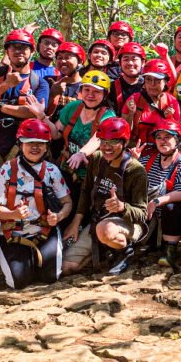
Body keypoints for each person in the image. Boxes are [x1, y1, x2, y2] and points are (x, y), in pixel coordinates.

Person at [0, 119, 73, 289]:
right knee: (18, 281)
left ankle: (35, 258)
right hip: (13, 234)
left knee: (51, 277)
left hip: (44, 231)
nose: (35, 147)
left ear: (46, 146)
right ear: (20, 145)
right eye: (30, 143)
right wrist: (14, 214)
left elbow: (67, 202)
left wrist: (58, 216)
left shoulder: (52, 171)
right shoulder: (5, 171)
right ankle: (23, 260)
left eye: (40, 144)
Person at [61, 118, 148, 275]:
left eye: (113, 142)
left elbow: (142, 214)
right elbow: (86, 191)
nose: (107, 147)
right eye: (103, 141)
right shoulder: (96, 159)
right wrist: (76, 222)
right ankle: (104, 248)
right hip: (98, 220)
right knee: (66, 267)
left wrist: (122, 207)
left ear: (125, 142)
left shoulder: (136, 170)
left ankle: (125, 251)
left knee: (105, 230)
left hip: (127, 222)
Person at [0, 29, 50, 165]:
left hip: (22, 150)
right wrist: (5, 85)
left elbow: (33, 113)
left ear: (32, 52)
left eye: (23, 47)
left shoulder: (39, 83)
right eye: (13, 47)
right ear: (7, 52)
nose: (18, 51)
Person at [140, 120, 181, 272]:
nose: (162, 141)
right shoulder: (146, 160)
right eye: (159, 137)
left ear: (177, 140)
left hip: (174, 217)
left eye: (168, 137)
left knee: (173, 206)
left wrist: (157, 201)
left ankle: (170, 251)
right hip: (149, 215)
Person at [124, 59, 180, 149]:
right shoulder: (134, 99)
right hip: (136, 149)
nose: (152, 84)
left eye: (157, 80)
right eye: (149, 80)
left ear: (165, 81)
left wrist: (170, 119)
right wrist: (131, 113)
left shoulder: (171, 102)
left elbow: (177, 136)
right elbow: (123, 133)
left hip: (162, 151)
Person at [46, 42, 85, 118]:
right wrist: (52, 94)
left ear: (80, 62)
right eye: (59, 58)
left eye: (67, 57)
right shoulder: (48, 81)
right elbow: (37, 109)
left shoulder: (87, 87)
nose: (63, 61)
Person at [109, 42, 146, 112]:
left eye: (134, 59)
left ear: (143, 62)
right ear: (120, 63)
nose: (130, 63)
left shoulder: (148, 86)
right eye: (126, 59)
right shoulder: (111, 88)